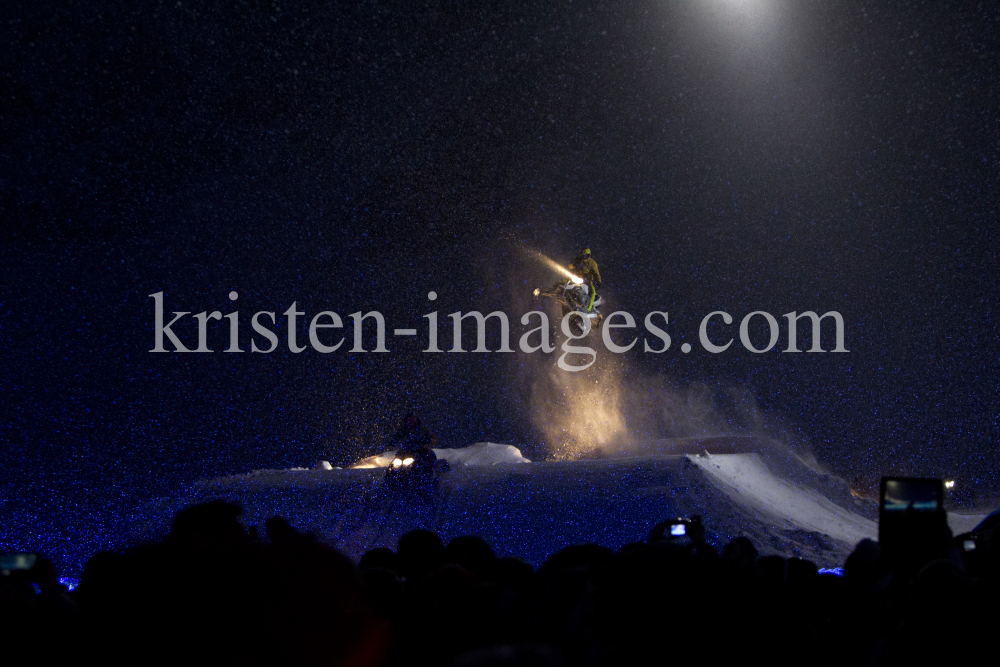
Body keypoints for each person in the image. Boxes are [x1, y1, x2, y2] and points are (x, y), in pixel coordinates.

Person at [568, 247, 601, 311]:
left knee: (593, 292)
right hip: (576, 278)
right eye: (583, 253)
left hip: (587, 281)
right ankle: (558, 290)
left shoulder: (592, 263)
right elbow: (570, 266)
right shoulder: (578, 260)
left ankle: (587, 309)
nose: (584, 254)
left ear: (589, 254)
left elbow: (596, 273)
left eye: (585, 253)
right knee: (565, 279)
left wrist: (598, 281)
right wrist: (574, 264)